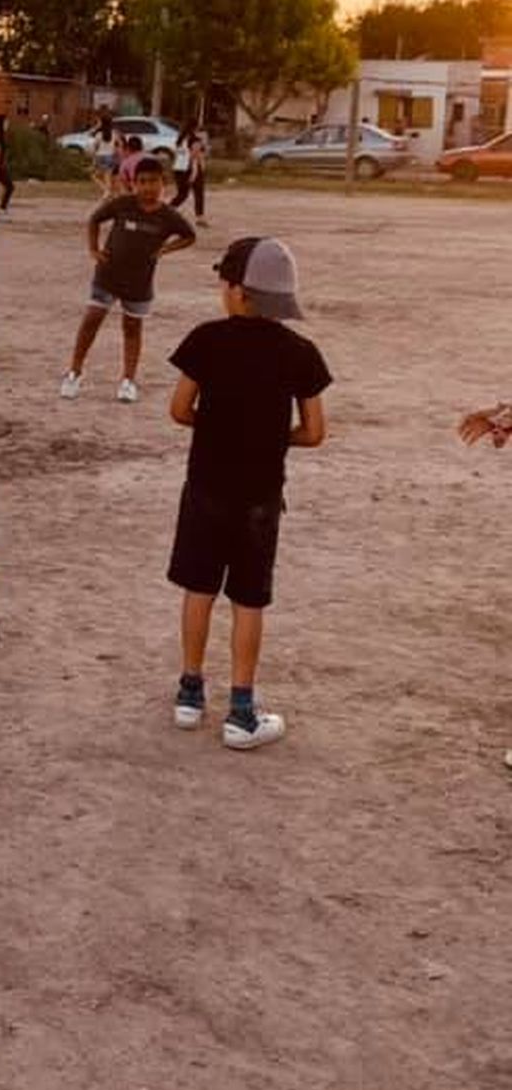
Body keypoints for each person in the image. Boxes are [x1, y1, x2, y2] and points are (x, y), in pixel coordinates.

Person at [167, 236, 331, 749]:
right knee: (248, 600)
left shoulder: (206, 340)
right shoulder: (300, 353)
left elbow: (178, 410)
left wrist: (217, 427)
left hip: (206, 487)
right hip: (260, 496)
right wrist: (269, 435)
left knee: (199, 589)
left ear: (240, 291)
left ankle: (190, 694)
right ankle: (242, 709)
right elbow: (314, 431)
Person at [59, 156, 195, 403]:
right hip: (108, 275)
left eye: (153, 182)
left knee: (132, 328)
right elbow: (95, 219)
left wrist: (165, 250)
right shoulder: (123, 204)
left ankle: (128, 381)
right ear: (134, 184)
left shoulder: (169, 216)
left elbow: (189, 236)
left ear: (163, 183)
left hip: (140, 282)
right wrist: (93, 249)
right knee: (91, 320)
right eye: (142, 182)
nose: (147, 187)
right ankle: (74, 373)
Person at [171, 119, 209, 224]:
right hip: (190, 168)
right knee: (198, 193)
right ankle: (200, 217)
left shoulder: (180, 139)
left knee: (182, 194)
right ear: (195, 127)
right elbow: (194, 157)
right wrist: (195, 172)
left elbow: (178, 155)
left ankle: (169, 209)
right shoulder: (195, 140)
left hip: (178, 168)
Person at [91, 109, 118, 192]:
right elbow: (116, 146)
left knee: (94, 176)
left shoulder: (99, 134)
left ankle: (106, 191)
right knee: (108, 177)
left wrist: (93, 159)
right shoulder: (114, 134)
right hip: (110, 156)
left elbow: (95, 147)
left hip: (100, 156)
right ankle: (107, 192)